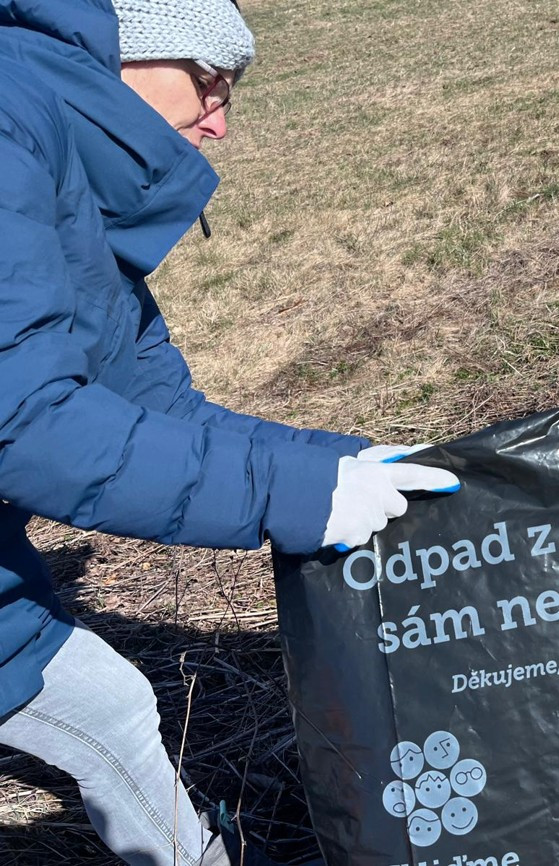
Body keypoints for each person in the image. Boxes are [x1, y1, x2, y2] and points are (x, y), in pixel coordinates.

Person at [0, 0, 457, 864]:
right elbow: (25, 421)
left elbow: (158, 407)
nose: (219, 122)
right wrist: (298, 497)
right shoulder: (6, 122)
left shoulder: (65, 176)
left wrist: (344, 463)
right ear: (129, 54)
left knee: (106, 707)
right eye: (210, 82)